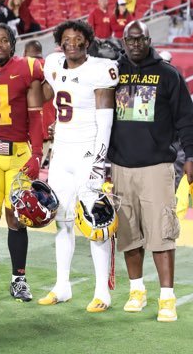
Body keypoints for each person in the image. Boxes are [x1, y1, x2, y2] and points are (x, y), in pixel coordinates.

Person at [108, 20, 193, 322]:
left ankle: (167, 298)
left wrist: (192, 156)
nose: (134, 44)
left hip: (157, 167)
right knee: (129, 234)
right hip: (120, 166)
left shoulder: (168, 75)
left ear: (148, 40)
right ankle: (137, 291)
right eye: (130, 40)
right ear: (123, 41)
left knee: (161, 233)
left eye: (140, 39)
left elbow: (186, 118)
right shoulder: (112, 72)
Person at [38, 20, 119, 312]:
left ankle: (102, 292)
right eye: (67, 38)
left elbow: (105, 120)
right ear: (60, 42)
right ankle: (62, 286)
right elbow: (44, 95)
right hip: (61, 153)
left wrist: (100, 160)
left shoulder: (100, 68)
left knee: (95, 223)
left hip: (87, 153)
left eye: (78, 38)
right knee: (62, 220)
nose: (72, 42)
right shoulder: (54, 64)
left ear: (88, 41)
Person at [0, 23, 44, 302]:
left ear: (12, 44)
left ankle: (19, 279)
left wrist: (37, 153)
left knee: (17, 219)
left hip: (18, 156)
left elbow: (37, 112)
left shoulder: (27, 67)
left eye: (4, 40)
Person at [23, 40, 55, 166]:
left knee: (22, 174)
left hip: (27, 130)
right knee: (37, 169)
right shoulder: (52, 68)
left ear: (25, 52)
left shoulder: (23, 66)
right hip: (48, 128)